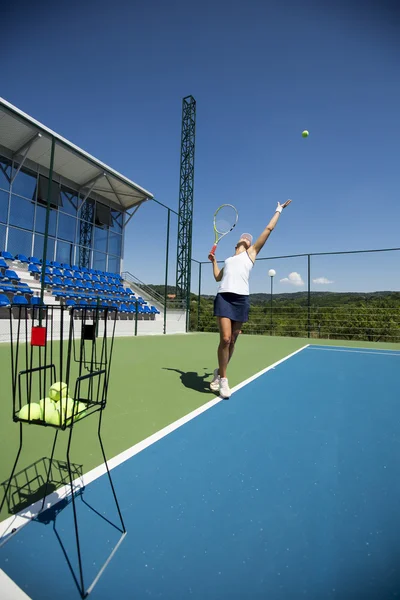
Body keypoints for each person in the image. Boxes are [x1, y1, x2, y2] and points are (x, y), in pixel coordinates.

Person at [208, 199, 292, 398]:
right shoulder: (229, 260)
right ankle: (225, 381)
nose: (247, 239)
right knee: (225, 339)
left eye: (249, 239)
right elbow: (218, 277)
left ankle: (219, 373)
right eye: (244, 238)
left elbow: (269, 229)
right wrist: (214, 262)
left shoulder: (251, 254)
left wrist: (278, 210)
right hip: (224, 297)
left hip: (241, 300)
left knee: (234, 341)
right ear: (237, 243)